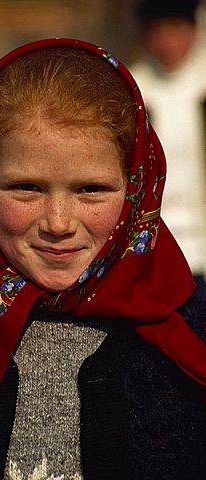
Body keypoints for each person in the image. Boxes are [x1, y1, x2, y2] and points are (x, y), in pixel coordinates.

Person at [0, 38, 206, 480]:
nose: (58, 223)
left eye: (91, 189)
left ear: (137, 186)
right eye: (26, 188)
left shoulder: (194, 341)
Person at [131, 0, 206, 298]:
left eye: (176, 28)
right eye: (158, 29)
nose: (168, 40)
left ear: (193, 30)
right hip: (156, 249)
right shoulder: (135, 90)